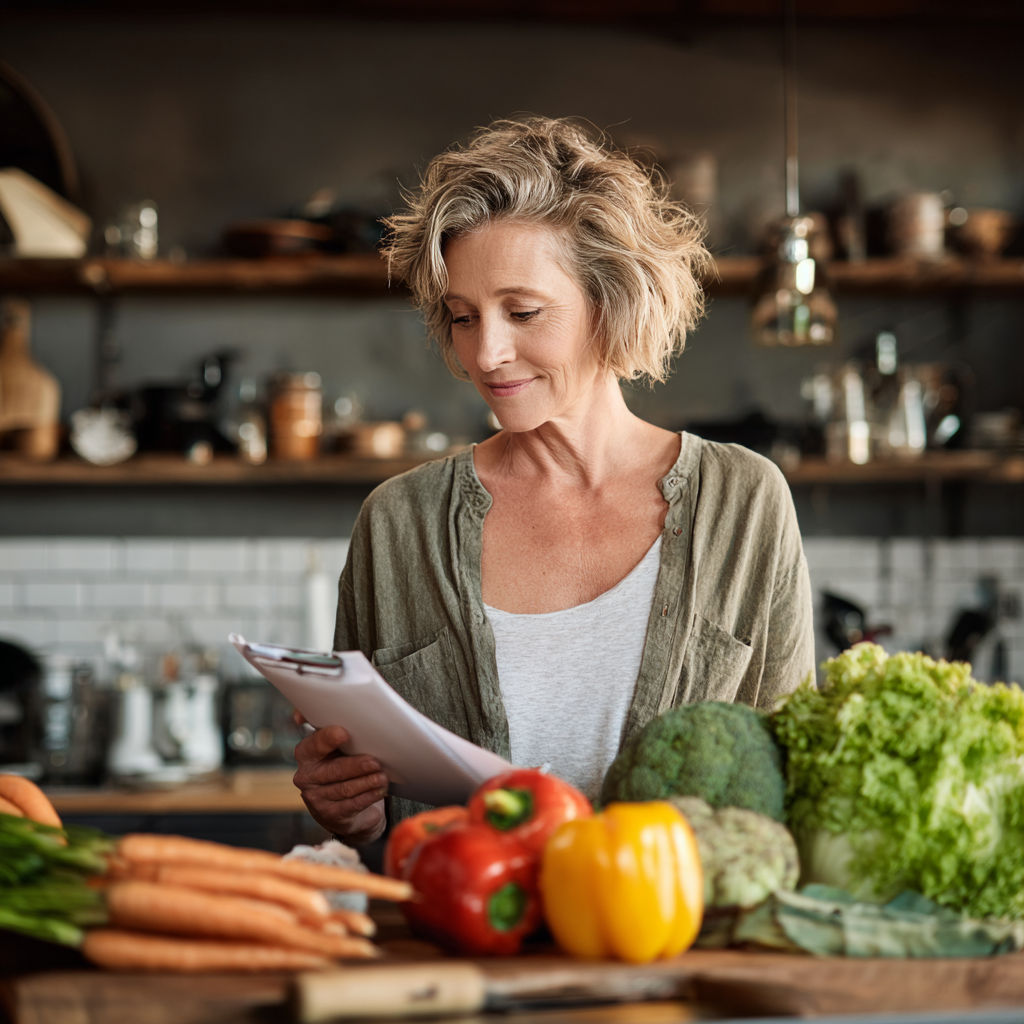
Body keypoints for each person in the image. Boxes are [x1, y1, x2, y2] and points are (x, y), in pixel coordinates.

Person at [293, 118, 815, 846]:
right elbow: (376, 820)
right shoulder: (398, 523)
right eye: (463, 317)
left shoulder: (744, 503)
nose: (487, 352)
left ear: (613, 300)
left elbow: (794, 786)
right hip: (464, 947)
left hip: (680, 948)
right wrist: (353, 811)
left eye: (524, 312)